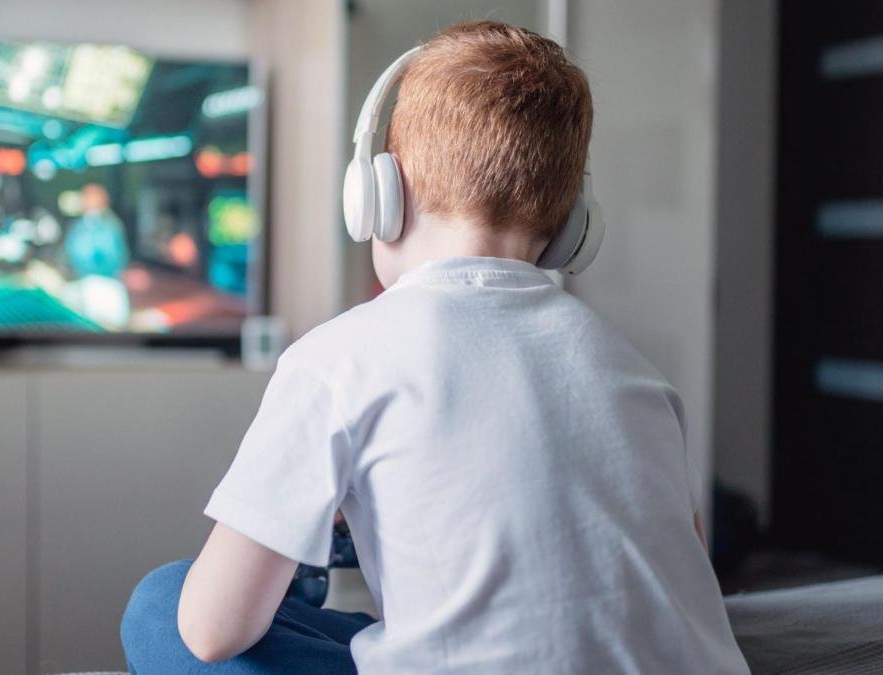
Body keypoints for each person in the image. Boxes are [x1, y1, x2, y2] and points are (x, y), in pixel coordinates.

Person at [121, 21, 749, 674]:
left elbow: (210, 631)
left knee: (163, 605)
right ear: (570, 226)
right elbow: (679, 576)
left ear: (376, 195)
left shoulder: (335, 361)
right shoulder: (639, 374)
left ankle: (302, 548)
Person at [63, 182, 130, 279]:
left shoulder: (110, 226)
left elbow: (113, 256)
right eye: (85, 196)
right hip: (80, 279)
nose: (86, 200)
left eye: (92, 196)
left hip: (104, 281)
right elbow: (70, 252)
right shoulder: (78, 225)